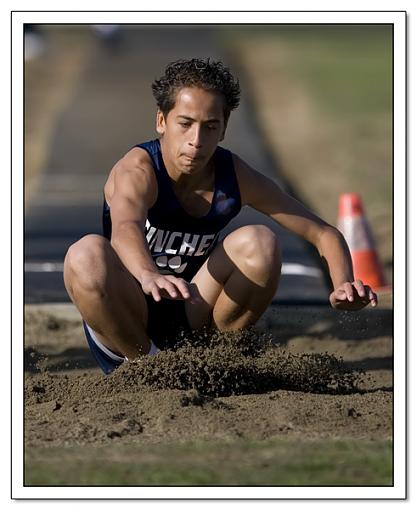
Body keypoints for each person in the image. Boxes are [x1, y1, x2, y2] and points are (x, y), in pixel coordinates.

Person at [63, 58, 378, 375]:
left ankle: (219, 361)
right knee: (85, 255)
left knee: (260, 243)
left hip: (192, 311)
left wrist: (344, 284)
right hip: (130, 318)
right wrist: (148, 275)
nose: (196, 141)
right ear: (162, 121)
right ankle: (147, 368)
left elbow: (322, 233)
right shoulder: (138, 170)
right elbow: (124, 229)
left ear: (224, 129)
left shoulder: (234, 175)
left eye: (210, 127)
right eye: (185, 124)